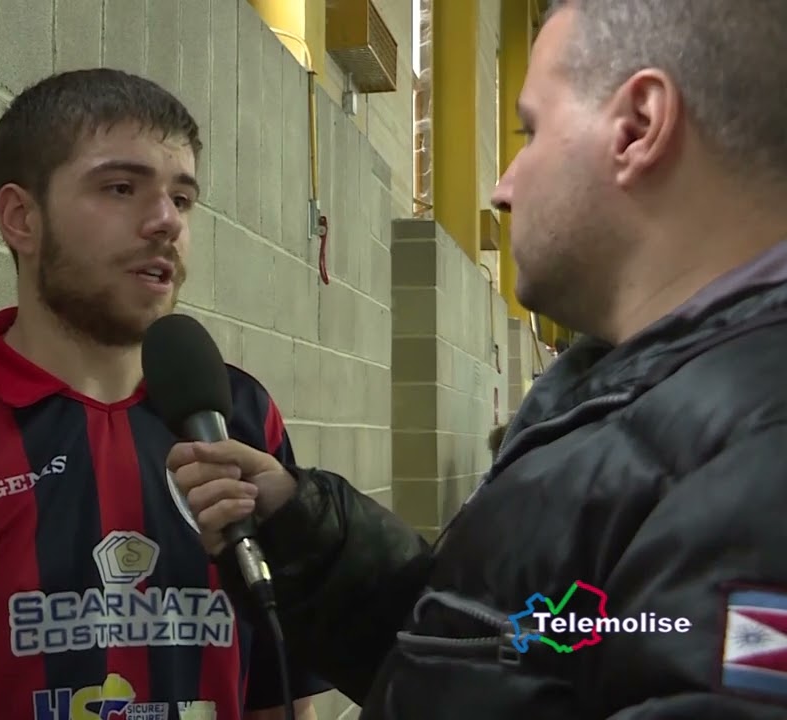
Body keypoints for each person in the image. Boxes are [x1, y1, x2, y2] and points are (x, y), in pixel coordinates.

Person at [168, 1, 787, 717]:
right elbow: (492, 655)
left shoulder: (757, 455)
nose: (503, 187)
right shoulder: (628, 401)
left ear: (637, 127)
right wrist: (296, 524)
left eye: (532, 132)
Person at [0, 68, 329, 720]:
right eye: (121, 188)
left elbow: (281, 686)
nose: (165, 221)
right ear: (22, 218)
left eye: (182, 199)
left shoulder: (239, 415)